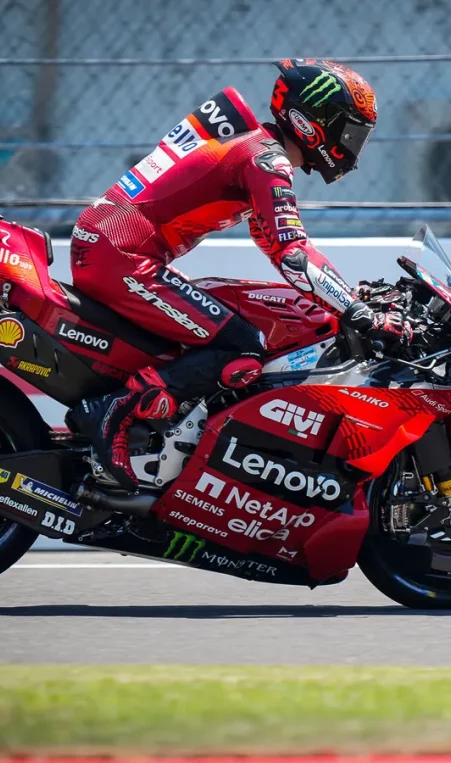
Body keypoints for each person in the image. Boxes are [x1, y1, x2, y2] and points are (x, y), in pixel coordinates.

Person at [64, 59, 415, 492]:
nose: (353, 145)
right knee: (243, 345)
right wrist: (360, 312)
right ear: (312, 123)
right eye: (349, 131)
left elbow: (278, 243)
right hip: (119, 254)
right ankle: (114, 412)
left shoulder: (257, 151)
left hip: (114, 249)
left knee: (236, 325)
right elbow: (293, 255)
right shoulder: (266, 160)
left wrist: (346, 295)